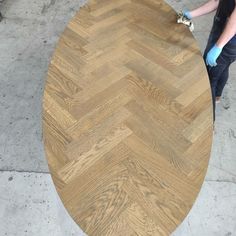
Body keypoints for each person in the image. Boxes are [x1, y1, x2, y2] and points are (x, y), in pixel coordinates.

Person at [183, 0, 236, 122]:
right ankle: (217, 97)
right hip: (224, 34)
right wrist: (191, 14)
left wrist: (218, 46)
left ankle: (207, 122)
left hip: (228, 42)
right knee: (223, 67)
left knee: (208, 79)